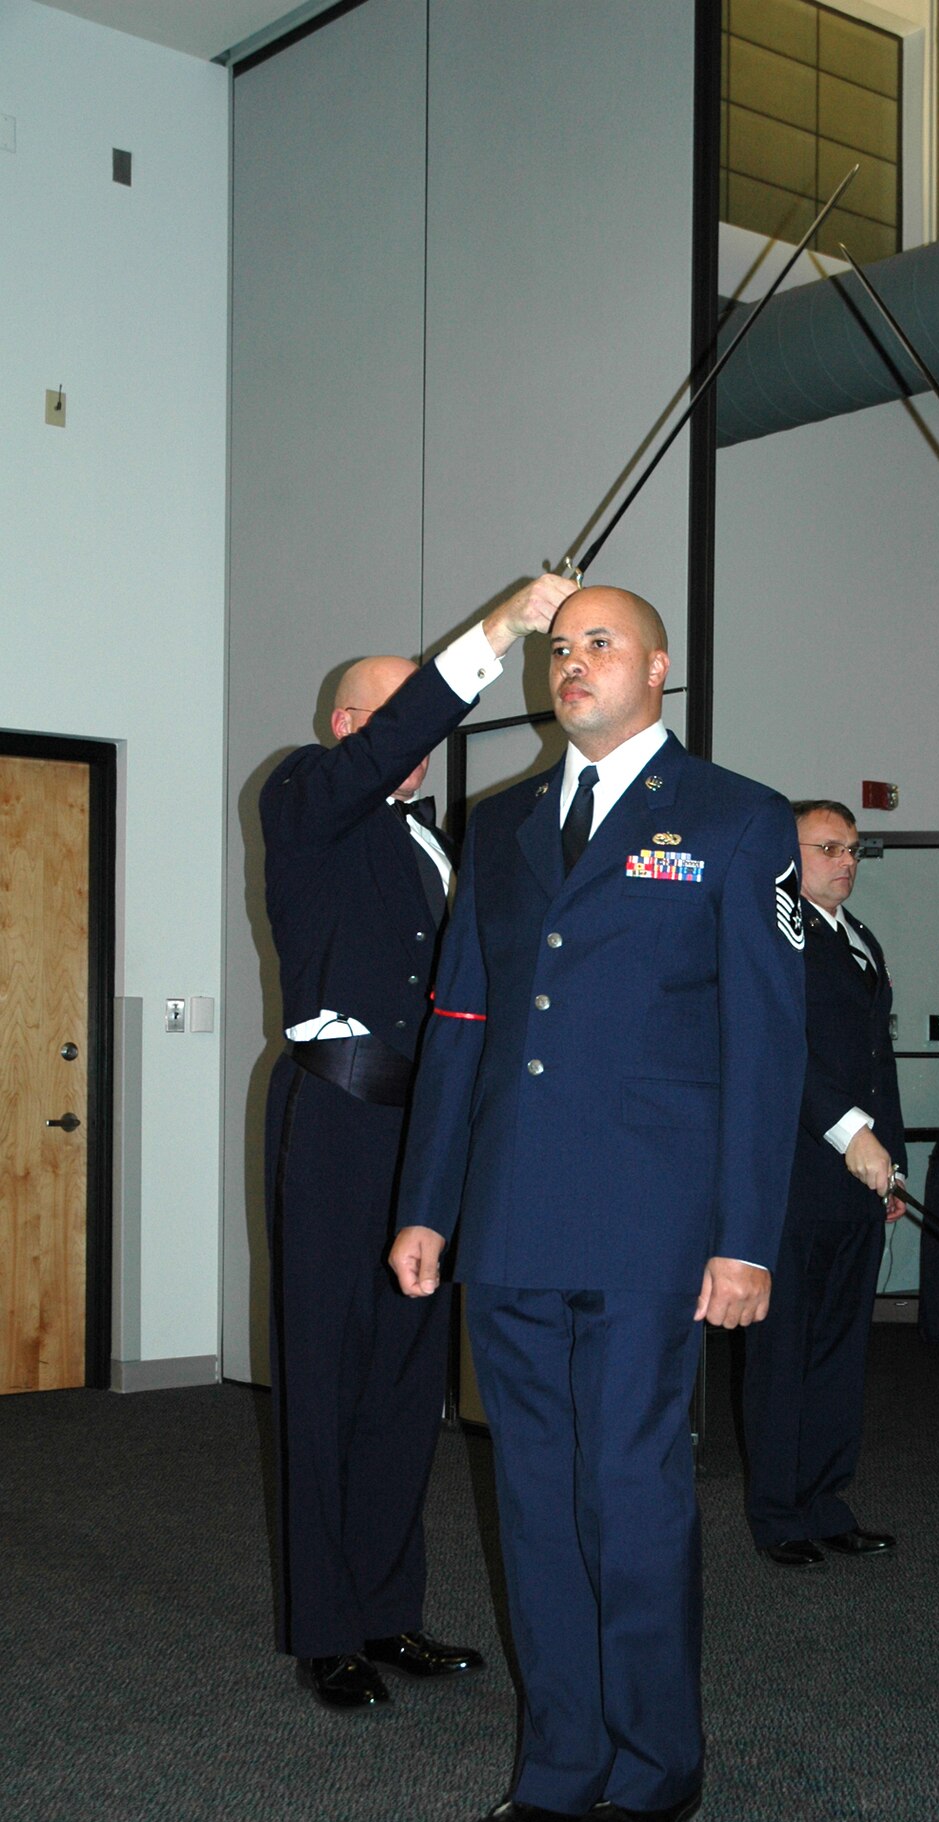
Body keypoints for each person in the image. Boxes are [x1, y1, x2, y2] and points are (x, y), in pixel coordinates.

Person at [390, 585, 805, 1822]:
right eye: (558, 648)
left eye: (600, 643)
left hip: (650, 1226)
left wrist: (746, 1237)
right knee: (528, 1499)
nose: (572, 663)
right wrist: (425, 1201)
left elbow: (766, 1045)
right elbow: (462, 1024)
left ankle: (654, 1767)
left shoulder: (737, 819)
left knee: (629, 1496)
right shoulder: (503, 819)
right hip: (512, 1220)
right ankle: (555, 1771)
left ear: (660, 667)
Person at [261, 572, 577, 1711]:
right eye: (395, 720)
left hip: (426, 1135)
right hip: (338, 1119)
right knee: (326, 1369)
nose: (420, 745)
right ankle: (324, 1628)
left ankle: (389, 1608)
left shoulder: (438, 843)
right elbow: (398, 727)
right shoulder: (304, 796)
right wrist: (498, 631)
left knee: (406, 1380)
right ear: (348, 726)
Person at [742, 799, 907, 1568]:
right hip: (798, 1171)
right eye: (828, 847)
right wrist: (853, 1135)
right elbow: (780, 1049)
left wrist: (891, 1165)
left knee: (841, 1349)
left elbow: (879, 1062)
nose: (846, 861)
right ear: (790, 852)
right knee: (785, 1351)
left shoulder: (859, 937)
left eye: (854, 848)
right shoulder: (773, 929)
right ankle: (779, 1514)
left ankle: (826, 1499)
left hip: (860, 1176)